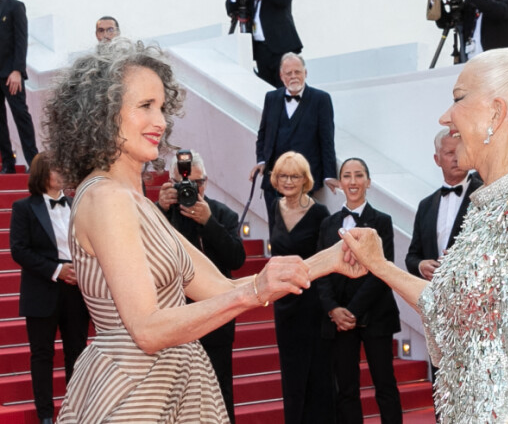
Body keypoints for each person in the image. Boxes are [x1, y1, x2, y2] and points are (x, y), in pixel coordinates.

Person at [44, 39, 361, 423]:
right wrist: (254, 291)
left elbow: (222, 288)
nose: (160, 121)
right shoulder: (107, 199)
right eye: (145, 106)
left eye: (162, 106)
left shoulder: (137, 204)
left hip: (174, 381)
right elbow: (147, 329)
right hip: (135, 392)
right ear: (102, 113)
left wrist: (330, 259)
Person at [341, 47, 508, 423]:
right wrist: (379, 265)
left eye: (458, 99)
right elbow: (442, 306)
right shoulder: (491, 205)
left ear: (496, 113)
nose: (445, 117)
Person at [156, 152, 245, 423]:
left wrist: (209, 223)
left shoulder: (223, 214)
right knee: (175, 397)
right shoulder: (159, 214)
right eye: (184, 183)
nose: (191, 190)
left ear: (206, 183)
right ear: (170, 183)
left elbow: (236, 259)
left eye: (197, 183)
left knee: (219, 392)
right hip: (174, 319)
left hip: (216, 319)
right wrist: (159, 210)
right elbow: (147, 257)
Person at [318, 157, 402, 424]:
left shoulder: (383, 221)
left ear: (368, 181)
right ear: (340, 183)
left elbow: (382, 271)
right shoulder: (327, 225)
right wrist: (333, 309)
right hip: (339, 320)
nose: (352, 182)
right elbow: (321, 271)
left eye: (358, 175)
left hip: (376, 315)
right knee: (346, 389)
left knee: (385, 385)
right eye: (347, 176)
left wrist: (353, 310)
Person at [10, 152, 90, 424]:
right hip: (42, 289)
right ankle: (45, 415)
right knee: (42, 354)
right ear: (42, 174)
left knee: (77, 351)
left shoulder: (75, 203)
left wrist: (82, 268)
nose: (64, 173)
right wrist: (57, 271)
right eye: (58, 169)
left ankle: (76, 411)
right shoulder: (24, 208)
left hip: (77, 290)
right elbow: (19, 250)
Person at [269, 152, 333, 423]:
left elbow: (328, 257)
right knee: (292, 375)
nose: (288, 181)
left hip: (313, 303)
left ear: (305, 179)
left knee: (318, 375)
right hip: (285, 303)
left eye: (294, 176)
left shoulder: (319, 212)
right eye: (283, 175)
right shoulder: (275, 207)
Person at [250, 53, 339, 232]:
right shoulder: (271, 98)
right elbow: (263, 133)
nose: (293, 76)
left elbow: (327, 139)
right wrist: (261, 160)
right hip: (273, 180)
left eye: (297, 72)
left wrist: (329, 175)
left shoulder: (321, 99)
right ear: (281, 77)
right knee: (276, 231)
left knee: (301, 232)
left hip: (304, 181)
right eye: (288, 73)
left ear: (305, 73)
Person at [405, 128, 482, 280]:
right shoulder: (425, 205)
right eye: (449, 153)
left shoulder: (484, 194)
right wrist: (420, 265)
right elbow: (412, 256)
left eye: (460, 151)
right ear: (437, 159)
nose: (456, 158)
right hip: (433, 294)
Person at [226, 0, 303, 87]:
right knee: (266, 91)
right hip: (261, 50)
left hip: (281, 47)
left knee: (283, 89)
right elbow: (232, 11)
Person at [0, 0, 38, 173]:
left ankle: (33, 161)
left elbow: (21, 41)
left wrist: (17, 70)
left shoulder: (14, 6)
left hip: (10, 73)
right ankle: (8, 163)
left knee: (20, 115)